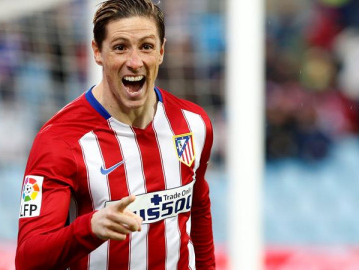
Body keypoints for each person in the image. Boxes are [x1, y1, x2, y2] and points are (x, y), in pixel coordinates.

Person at [15, 0, 215, 269]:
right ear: (97, 52)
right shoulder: (59, 140)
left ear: (161, 51)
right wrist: (89, 228)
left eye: (146, 46)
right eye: (120, 47)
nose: (134, 62)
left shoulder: (193, 124)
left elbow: (199, 210)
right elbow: (28, 259)